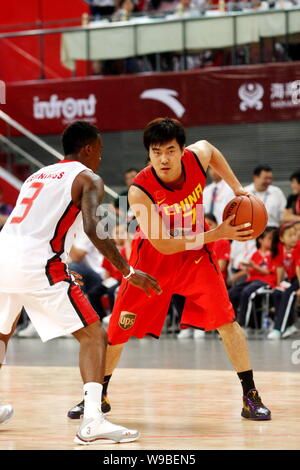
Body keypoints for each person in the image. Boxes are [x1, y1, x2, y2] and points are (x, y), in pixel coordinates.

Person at [69, 117, 271, 422]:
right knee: (118, 331)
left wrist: (238, 188)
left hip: (195, 259)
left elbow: (211, 149)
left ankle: (250, 396)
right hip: (151, 263)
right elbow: (164, 245)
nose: (164, 158)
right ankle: (98, 397)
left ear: (182, 150)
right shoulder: (140, 191)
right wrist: (217, 235)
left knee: (227, 322)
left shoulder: (197, 157)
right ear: (149, 154)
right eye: (156, 151)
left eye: (170, 150)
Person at [0, 121, 161, 444]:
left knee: (3, 330)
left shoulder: (37, 175)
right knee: (93, 335)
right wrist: (128, 271)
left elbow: (37, 224)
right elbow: (92, 227)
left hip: (4, 255)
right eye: (100, 149)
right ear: (88, 148)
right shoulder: (89, 178)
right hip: (37, 264)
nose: (100, 156)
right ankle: (92, 421)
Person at [229, 227, 276, 330]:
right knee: (232, 292)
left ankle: (242, 325)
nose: (272, 241)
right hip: (252, 280)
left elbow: (268, 271)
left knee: (247, 292)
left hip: (266, 281)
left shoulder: (273, 254)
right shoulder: (256, 253)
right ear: (261, 240)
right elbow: (251, 270)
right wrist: (244, 269)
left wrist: (254, 266)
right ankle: (230, 324)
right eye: (269, 238)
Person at [267, 223, 300, 340]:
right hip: (290, 278)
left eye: (295, 234)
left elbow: (298, 269)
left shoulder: (298, 247)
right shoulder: (280, 248)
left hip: (298, 277)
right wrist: (278, 284)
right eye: (290, 235)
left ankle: (278, 329)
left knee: (288, 294)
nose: (294, 237)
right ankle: (289, 326)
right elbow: (280, 269)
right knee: (277, 292)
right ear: (281, 238)